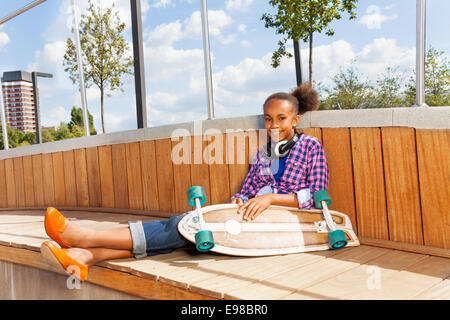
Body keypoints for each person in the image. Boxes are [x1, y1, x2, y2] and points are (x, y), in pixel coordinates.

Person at [40, 83, 329, 282]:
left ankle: (85, 238)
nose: (274, 125)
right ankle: (86, 256)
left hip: (280, 228)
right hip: (246, 222)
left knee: (184, 225)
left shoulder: (311, 147)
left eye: (281, 118)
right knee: (186, 233)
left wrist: (270, 199)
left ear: (296, 119)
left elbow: (316, 198)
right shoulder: (263, 153)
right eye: (268, 119)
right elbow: (247, 191)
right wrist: (240, 199)